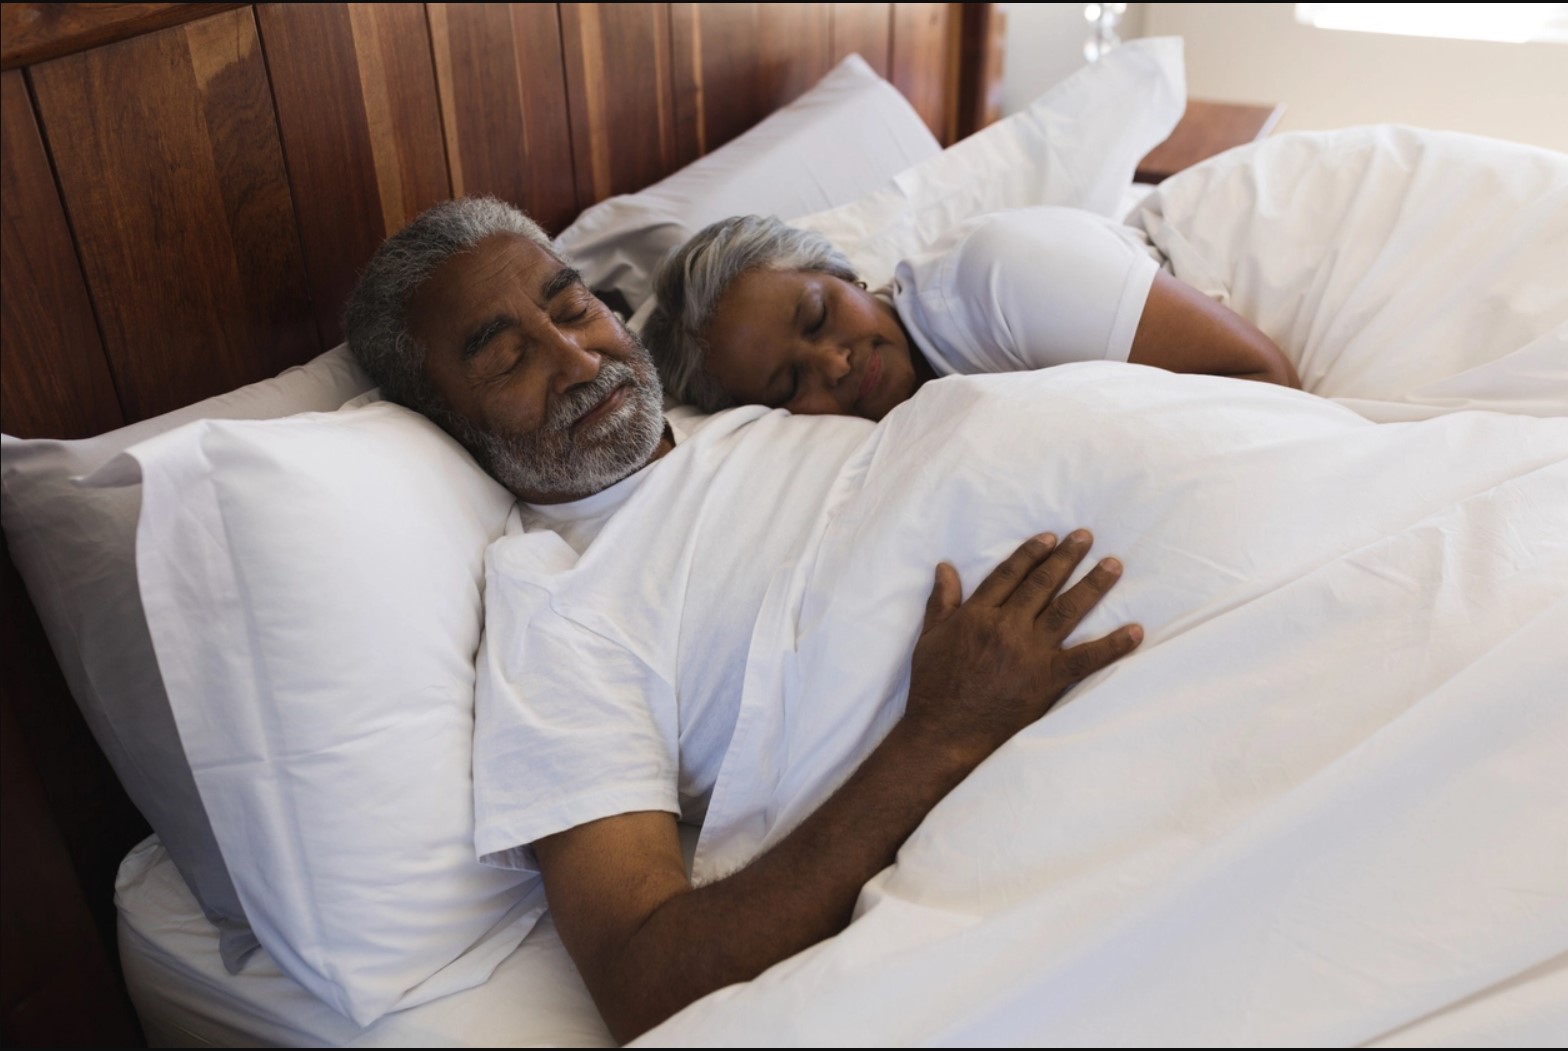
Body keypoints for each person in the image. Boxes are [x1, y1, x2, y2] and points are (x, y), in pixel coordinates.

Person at [345, 197, 1144, 1041]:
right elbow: (642, 975)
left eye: (573, 307)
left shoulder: (730, 404)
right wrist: (941, 734)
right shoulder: (555, 603)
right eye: (509, 360)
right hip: (1060, 713)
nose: (577, 359)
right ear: (447, 426)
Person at [644, 208, 1300, 421]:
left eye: (818, 317)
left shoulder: (999, 275)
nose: (834, 363)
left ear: (842, 273)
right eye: (790, 386)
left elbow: (1265, 378)